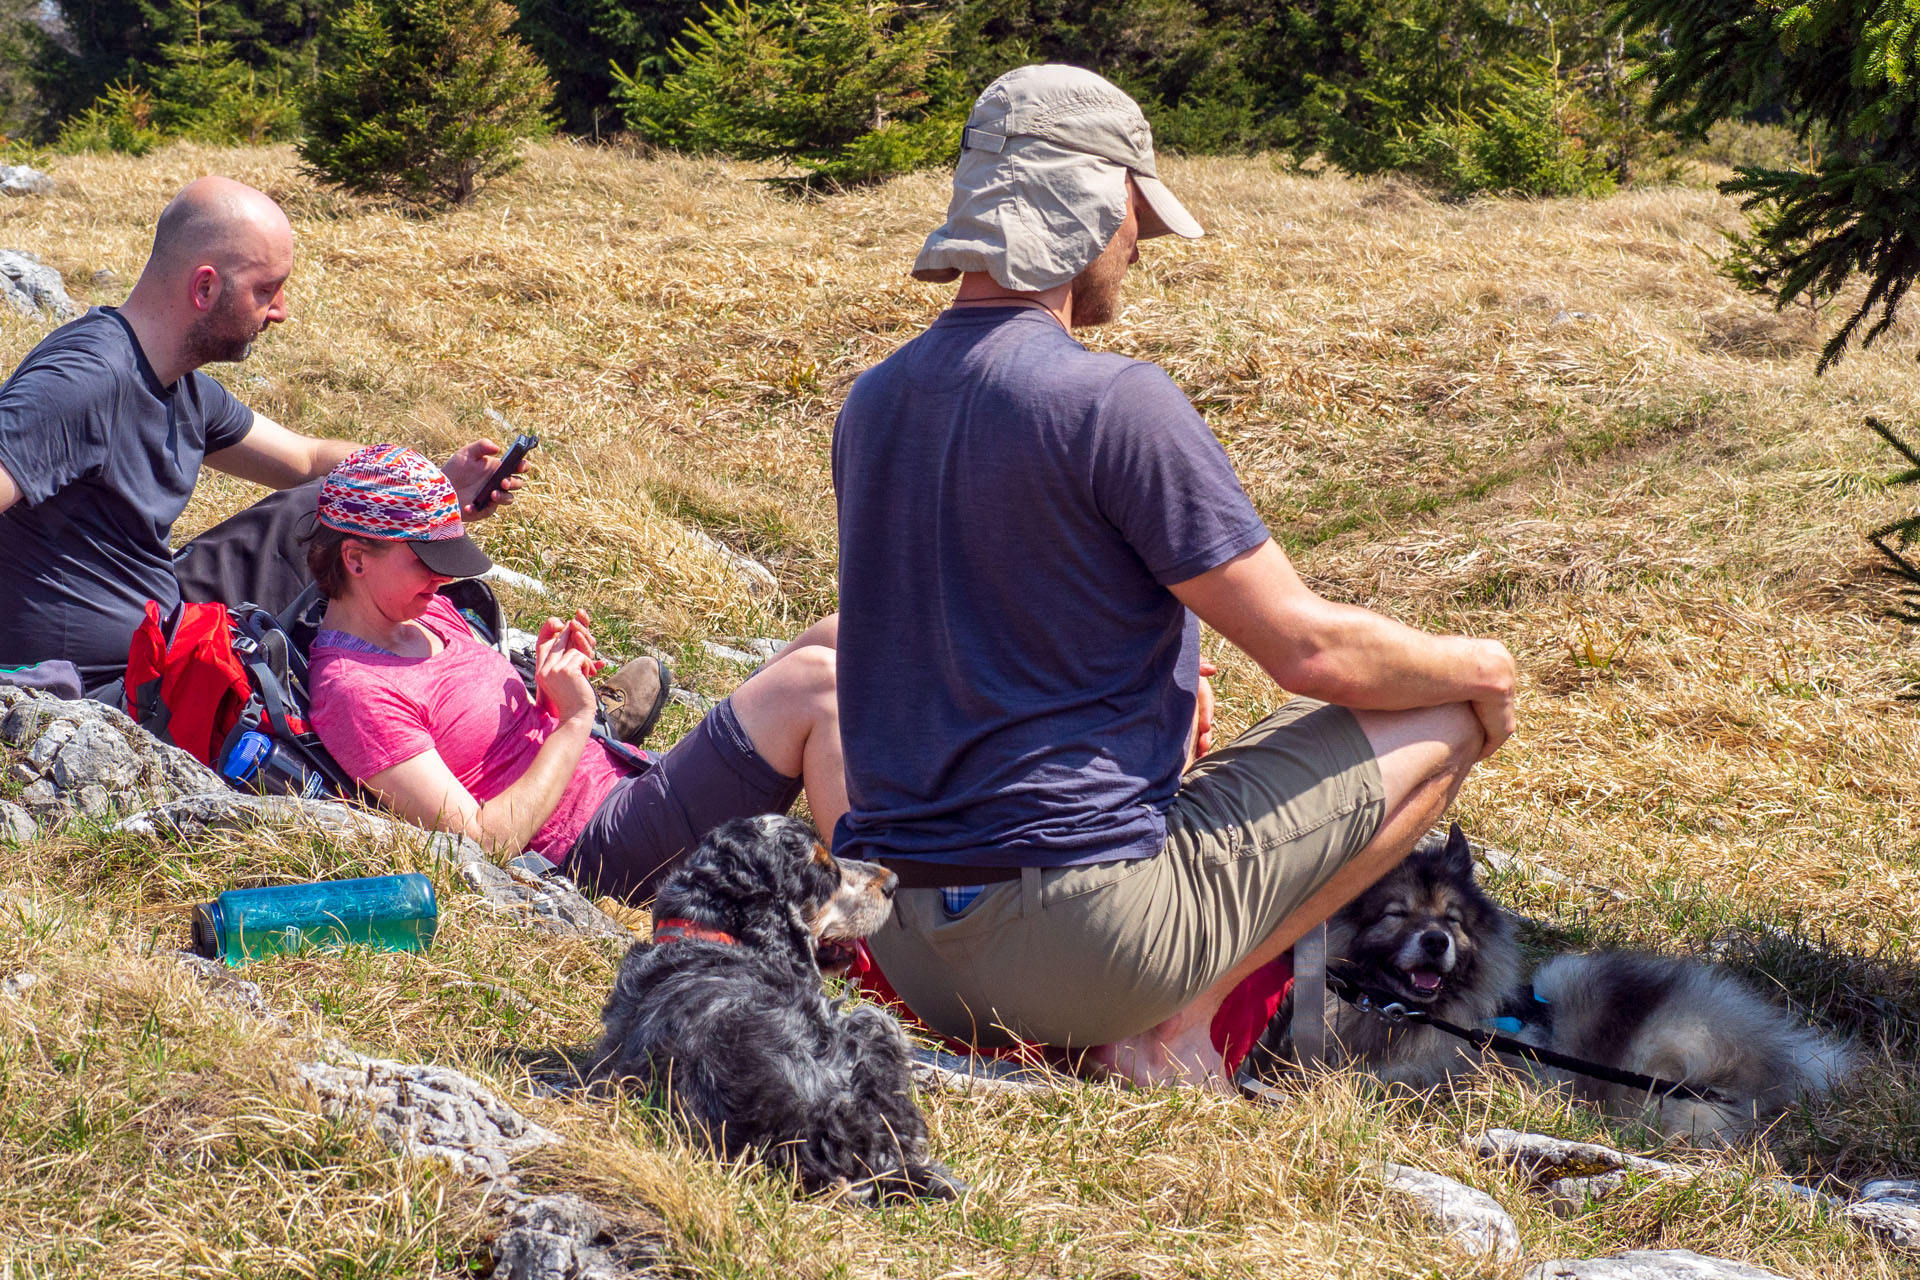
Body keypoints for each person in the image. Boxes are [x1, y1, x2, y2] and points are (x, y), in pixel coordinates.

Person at [831, 65, 1520, 1092]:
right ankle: (1173, 1031)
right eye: (1137, 215)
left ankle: (1145, 1014)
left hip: (916, 947)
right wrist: (1485, 661)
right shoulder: (1116, 401)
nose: (1140, 245)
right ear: (1099, 204)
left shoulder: (873, 400)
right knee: (1447, 718)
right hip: (1084, 946)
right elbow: (1308, 649)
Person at [0, 176, 529, 700]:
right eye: (265, 290)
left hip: (158, 616)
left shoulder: (177, 383)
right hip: (102, 676)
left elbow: (303, 459)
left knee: (322, 500)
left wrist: (432, 488)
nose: (279, 311)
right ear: (204, 287)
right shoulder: (83, 380)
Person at [305, 445, 844, 902]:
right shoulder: (355, 692)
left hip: (628, 782)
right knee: (814, 683)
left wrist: (545, 689)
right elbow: (479, 841)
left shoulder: (422, 610)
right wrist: (576, 719)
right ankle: (896, 918)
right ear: (355, 559)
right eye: (425, 560)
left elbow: (497, 744)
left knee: (838, 633)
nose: (443, 578)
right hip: (601, 851)